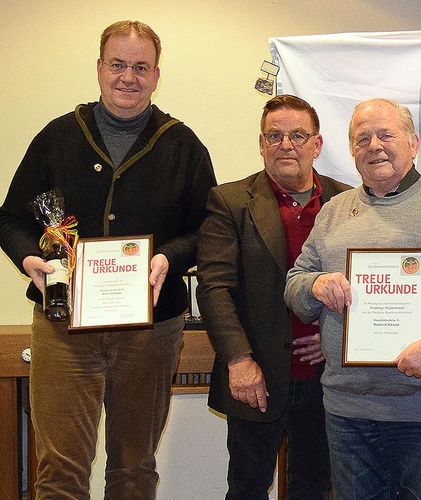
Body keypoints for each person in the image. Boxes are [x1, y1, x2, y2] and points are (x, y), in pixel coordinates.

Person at [0, 20, 216, 498]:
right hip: (63, 327)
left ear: (157, 75)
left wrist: (168, 259)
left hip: (151, 330)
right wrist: (28, 260)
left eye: (141, 67)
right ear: (99, 68)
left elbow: (209, 230)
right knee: (59, 471)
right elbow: (11, 219)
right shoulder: (57, 137)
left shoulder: (183, 146)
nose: (128, 77)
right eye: (118, 64)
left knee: (134, 468)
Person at [283, 98, 421, 500]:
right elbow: (294, 284)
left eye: (386, 134)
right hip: (348, 412)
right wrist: (314, 286)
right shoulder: (333, 212)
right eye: (362, 138)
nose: (374, 145)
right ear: (351, 150)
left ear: (414, 143)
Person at [197, 95, 350, 499]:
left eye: (298, 135)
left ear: (317, 145)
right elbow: (214, 288)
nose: (287, 144)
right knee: (246, 489)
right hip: (256, 374)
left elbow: (366, 285)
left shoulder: (350, 202)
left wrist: (339, 335)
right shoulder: (229, 202)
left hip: (327, 377)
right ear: (261, 144)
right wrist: (239, 359)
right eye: (275, 135)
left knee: (315, 489)